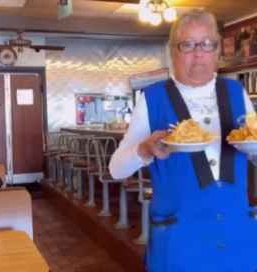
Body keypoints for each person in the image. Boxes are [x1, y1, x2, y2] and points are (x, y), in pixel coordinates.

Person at [110, 9, 257, 272]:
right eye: (187, 44)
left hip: (237, 236)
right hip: (180, 241)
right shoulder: (152, 98)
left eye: (207, 43)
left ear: (216, 51)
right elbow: (117, 169)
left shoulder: (237, 92)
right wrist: (145, 149)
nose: (198, 52)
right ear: (173, 52)